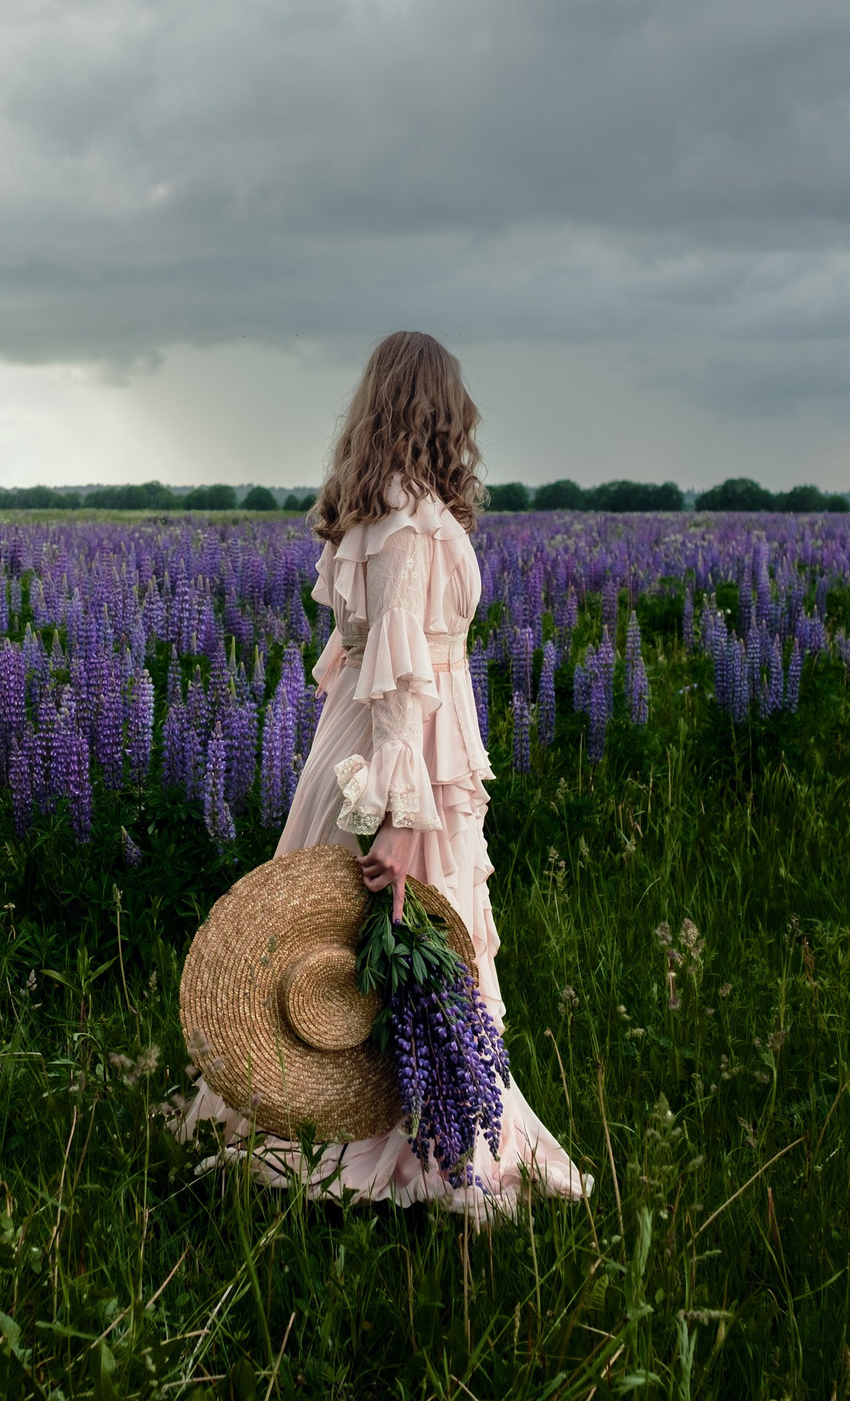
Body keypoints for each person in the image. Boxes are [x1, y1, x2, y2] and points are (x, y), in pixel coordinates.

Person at [174, 331, 591, 1216]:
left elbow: (355, 650)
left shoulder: (378, 509)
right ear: (440, 407)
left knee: (337, 945)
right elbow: (402, 679)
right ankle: (424, 1150)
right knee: (403, 949)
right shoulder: (408, 518)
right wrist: (402, 819)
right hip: (406, 760)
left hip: (372, 745)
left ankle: (329, 1113)